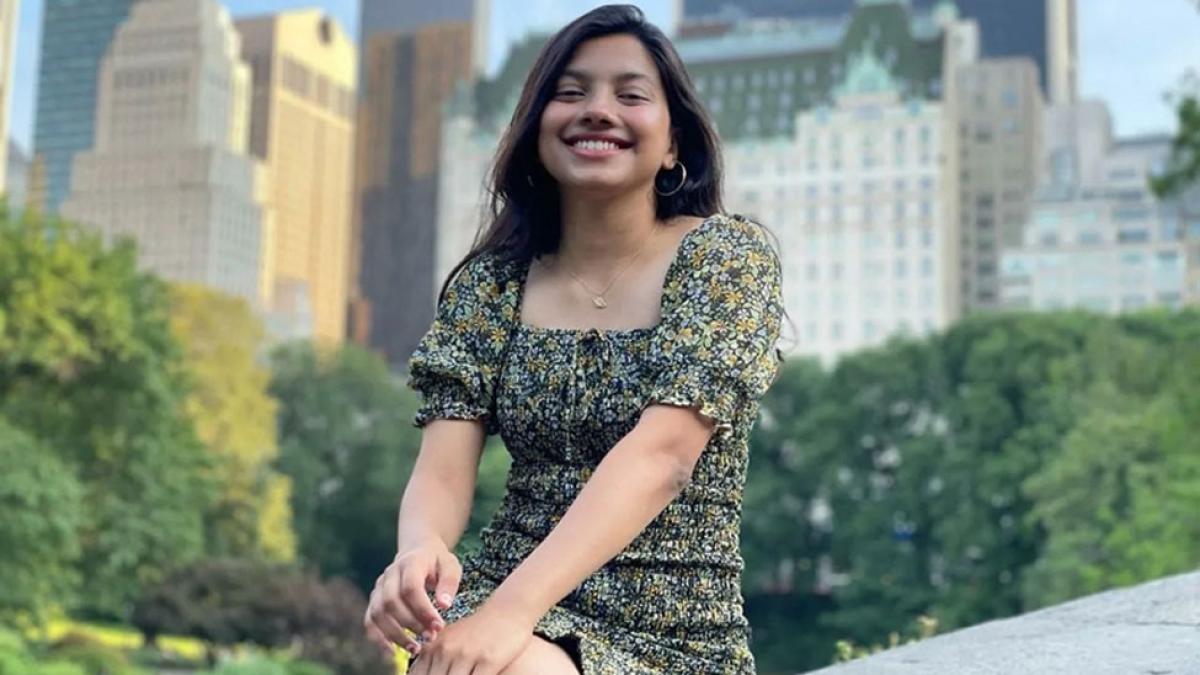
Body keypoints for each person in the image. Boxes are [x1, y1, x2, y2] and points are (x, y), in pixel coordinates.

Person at [363, 5, 786, 674]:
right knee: (454, 661)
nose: (597, 109)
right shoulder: (492, 284)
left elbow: (664, 455)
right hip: (506, 593)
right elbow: (443, 467)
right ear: (537, 131)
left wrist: (509, 614)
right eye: (570, 93)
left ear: (673, 142)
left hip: (669, 631)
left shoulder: (725, 258)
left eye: (630, 94)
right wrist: (419, 550)